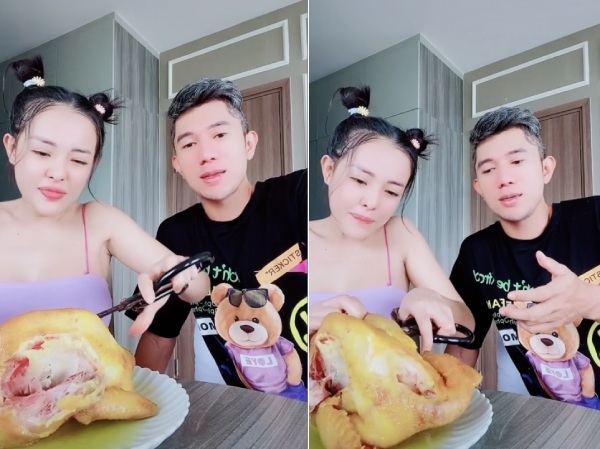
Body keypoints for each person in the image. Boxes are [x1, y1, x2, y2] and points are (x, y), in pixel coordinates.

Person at [0, 55, 209, 337]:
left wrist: (178, 273)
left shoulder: (101, 221)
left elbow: (200, 287)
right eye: (42, 152)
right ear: (12, 148)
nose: (58, 173)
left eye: (78, 160)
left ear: (93, 164)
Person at [127, 78, 307, 398]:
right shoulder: (175, 234)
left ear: (249, 144)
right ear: (177, 164)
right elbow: (158, 337)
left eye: (220, 135)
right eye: (188, 144)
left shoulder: (297, 195)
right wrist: (132, 406)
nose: (206, 154)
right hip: (232, 405)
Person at [447, 106, 600, 409]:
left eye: (517, 161)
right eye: (488, 170)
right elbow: (463, 349)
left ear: (546, 168)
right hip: (552, 417)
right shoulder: (477, 254)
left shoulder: (594, 216)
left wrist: (588, 300)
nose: (504, 179)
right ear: (479, 187)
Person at [309, 85, 474, 352]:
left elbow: (467, 321)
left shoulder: (399, 234)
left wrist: (428, 298)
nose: (372, 202)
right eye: (359, 180)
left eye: (391, 191)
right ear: (328, 169)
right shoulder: (294, 240)